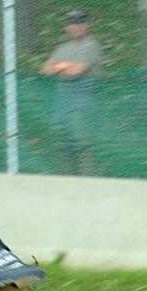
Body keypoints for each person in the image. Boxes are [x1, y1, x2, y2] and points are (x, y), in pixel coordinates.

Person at [41, 10, 103, 175]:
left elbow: (76, 71)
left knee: (82, 143)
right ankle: (68, 179)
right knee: (62, 143)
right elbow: (45, 69)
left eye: (80, 22)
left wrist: (60, 67)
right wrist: (66, 67)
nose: (76, 26)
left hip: (82, 103)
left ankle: (87, 179)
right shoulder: (62, 48)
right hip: (61, 103)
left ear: (86, 25)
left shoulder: (91, 46)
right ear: (67, 27)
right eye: (72, 23)